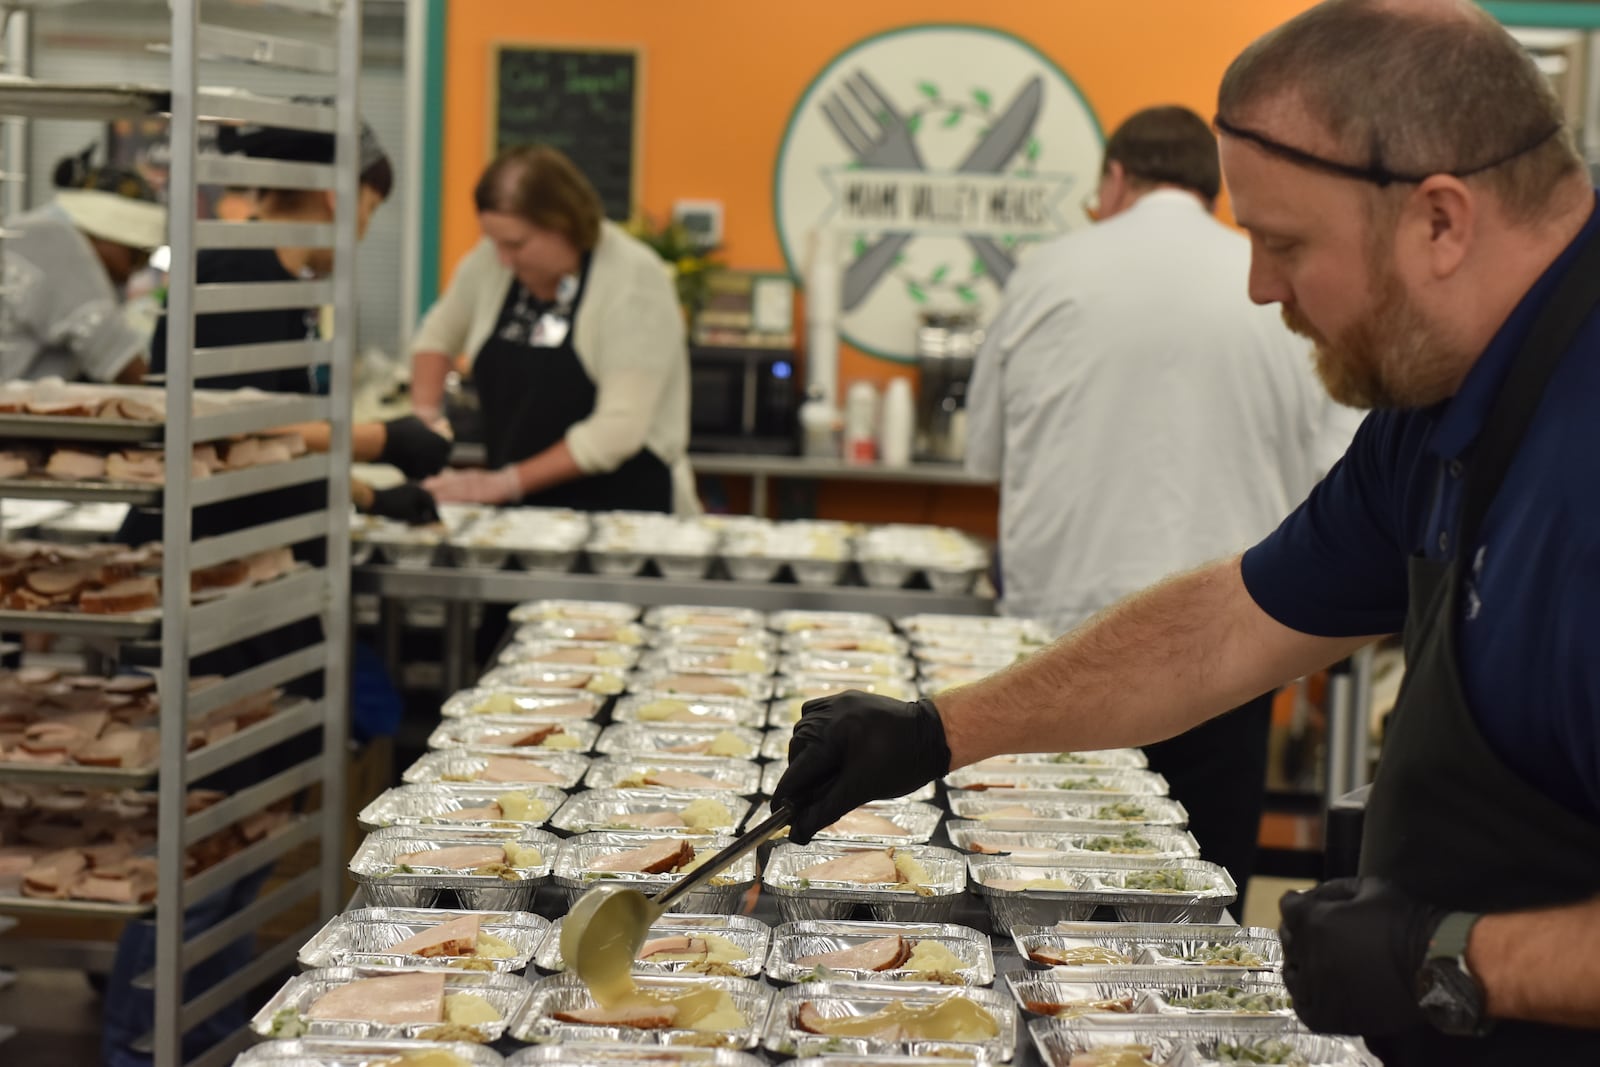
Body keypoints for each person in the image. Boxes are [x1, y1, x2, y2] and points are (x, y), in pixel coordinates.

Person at [773, 1, 1600, 1062]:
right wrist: (940, 729)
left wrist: (1450, 954)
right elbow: (1235, 620)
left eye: (1283, 243)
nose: (1259, 287)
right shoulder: (1442, 401)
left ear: (1439, 221)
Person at [103, 113, 443, 1067]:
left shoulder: (269, 282)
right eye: (369, 209)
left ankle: (196, 1016)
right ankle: (140, 1038)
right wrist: (376, 450)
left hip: (247, 581)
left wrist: (369, 480)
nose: (364, 234)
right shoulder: (237, 277)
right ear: (343, 195)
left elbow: (276, 436)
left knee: (236, 827)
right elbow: (235, 438)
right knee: (203, 837)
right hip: (210, 589)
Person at [966, 104, 1361, 907]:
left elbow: (987, 454)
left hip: (1063, 642)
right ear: (1213, 189)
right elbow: (1343, 467)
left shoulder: (1047, 270)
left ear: (1115, 179)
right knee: (1197, 902)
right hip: (1235, 638)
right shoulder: (1281, 280)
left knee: (1047, 899)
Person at [411, 144, 696, 514]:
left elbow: (618, 429)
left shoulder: (634, 280)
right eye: (494, 243)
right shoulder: (492, 261)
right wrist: (425, 421)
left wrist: (506, 483)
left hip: (622, 514)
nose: (503, 259)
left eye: (516, 244)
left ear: (564, 224)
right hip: (520, 512)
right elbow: (437, 337)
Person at [1, 146, 166, 383]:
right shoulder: (58, 239)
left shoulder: (26, 230)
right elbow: (121, 360)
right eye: (136, 255)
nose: (136, 269)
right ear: (106, 234)